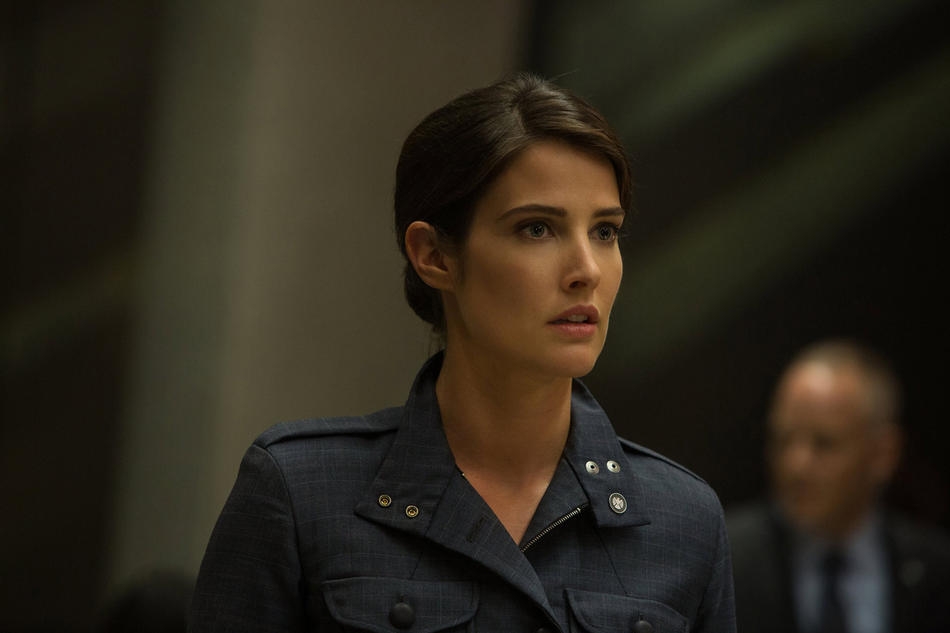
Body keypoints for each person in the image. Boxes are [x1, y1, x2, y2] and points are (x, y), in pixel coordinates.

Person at [188, 73, 735, 632]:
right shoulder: (301, 493)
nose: (586, 271)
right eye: (537, 228)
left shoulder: (683, 521)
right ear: (434, 255)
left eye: (605, 232)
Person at [727, 339, 950, 633]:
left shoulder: (936, 571)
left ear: (883, 454)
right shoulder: (726, 562)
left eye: (824, 444)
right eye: (783, 440)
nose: (797, 465)